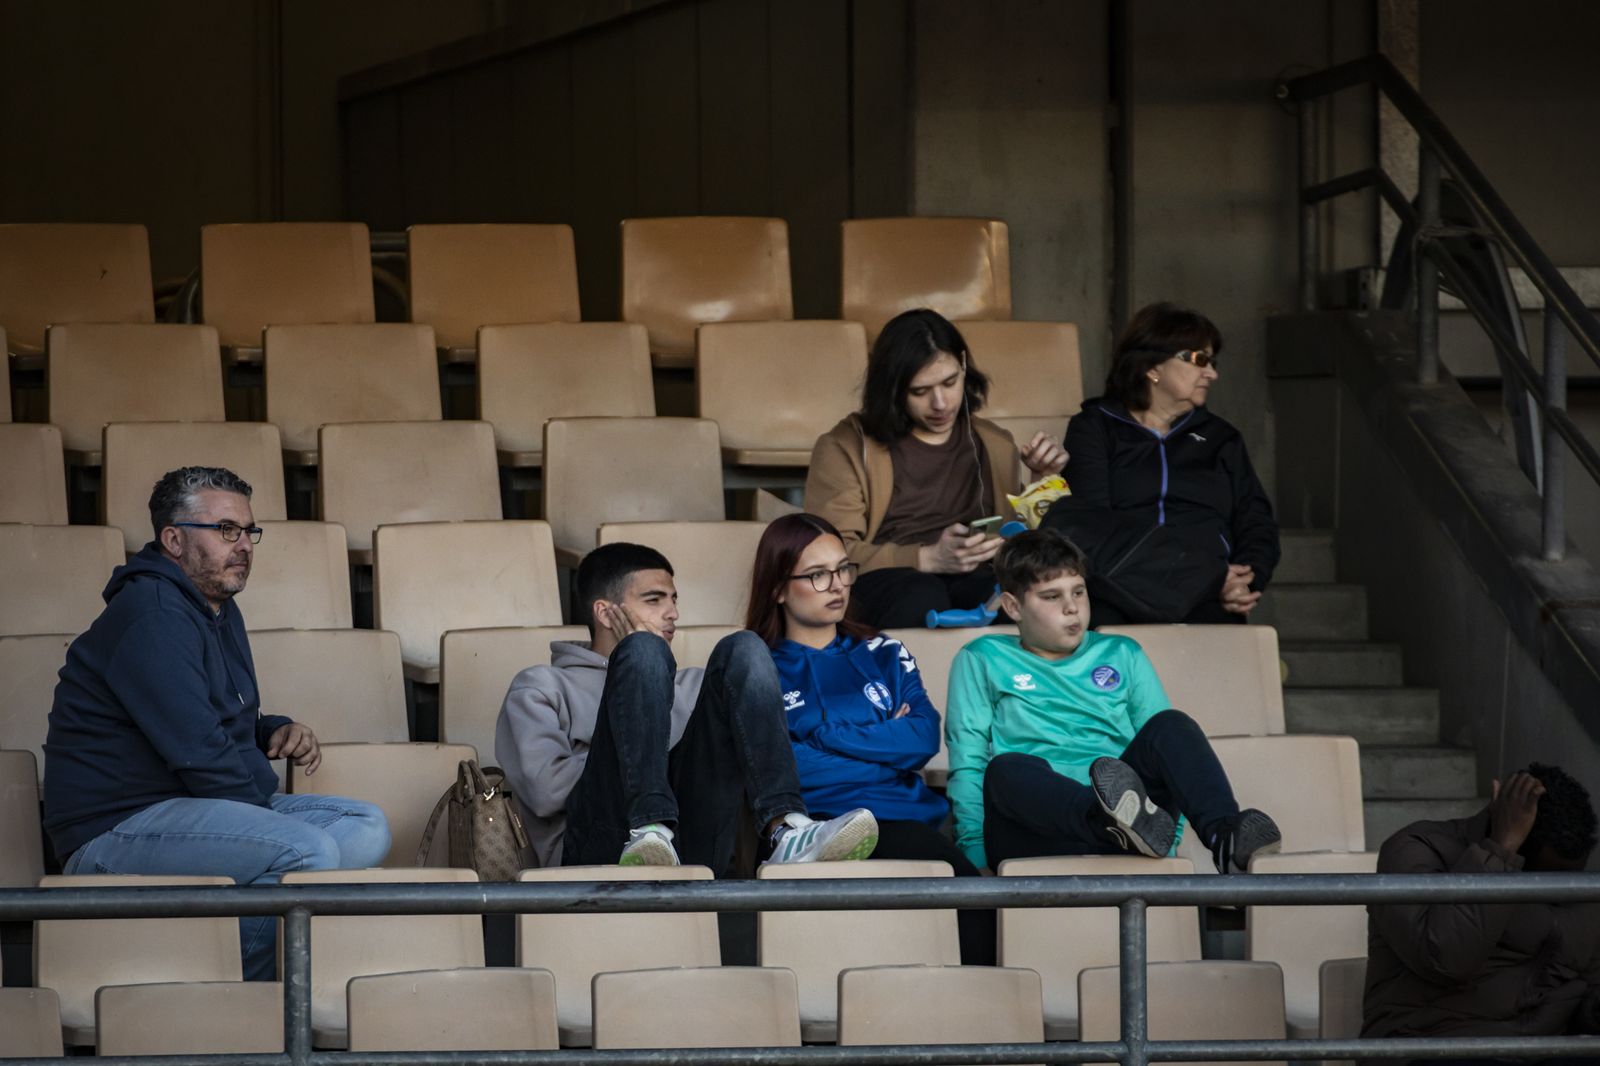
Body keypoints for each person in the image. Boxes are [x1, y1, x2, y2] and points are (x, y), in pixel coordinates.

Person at [43, 467, 391, 981]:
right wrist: (274, 826)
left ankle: (222, 957)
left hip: (193, 808)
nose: (244, 544)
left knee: (366, 828)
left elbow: (212, 715)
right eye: (225, 530)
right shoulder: (151, 614)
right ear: (174, 539)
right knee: (310, 850)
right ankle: (231, 990)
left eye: (249, 531)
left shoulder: (216, 607)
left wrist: (268, 729)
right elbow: (197, 752)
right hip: (114, 831)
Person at [496, 542, 878, 874]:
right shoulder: (541, 686)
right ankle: (648, 830)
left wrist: (656, 747)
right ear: (606, 613)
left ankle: (787, 829)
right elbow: (545, 791)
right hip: (594, 850)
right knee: (644, 651)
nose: (673, 613)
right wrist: (634, 740)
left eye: (674, 599)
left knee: (744, 647)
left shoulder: (695, 685)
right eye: (654, 599)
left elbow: (743, 765)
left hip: (692, 845)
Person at [944, 527, 1280, 873]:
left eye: (1078, 591)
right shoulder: (983, 657)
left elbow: (1168, 758)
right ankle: (1101, 819)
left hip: (1133, 826)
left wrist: (1168, 838)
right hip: (1035, 828)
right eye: (1051, 597)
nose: (1072, 608)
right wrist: (975, 853)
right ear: (1013, 606)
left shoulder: (1122, 652)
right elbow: (968, 761)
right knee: (1007, 768)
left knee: (1171, 725)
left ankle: (1225, 837)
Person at [745, 512, 998, 964]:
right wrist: (884, 744)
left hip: (905, 817)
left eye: (844, 569)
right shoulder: (756, 665)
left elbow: (921, 737)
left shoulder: (882, 651)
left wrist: (821, 733)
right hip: (813, 825)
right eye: (818, 575)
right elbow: (782, 766)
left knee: (973, 893)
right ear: (778, 588)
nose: (839, 585)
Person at [804, 307, 1068, 629]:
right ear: (892, 388)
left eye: (950, 382)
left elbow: (1020, 545)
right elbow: (829, 554)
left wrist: (1042, 480)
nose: (941, 403)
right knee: (921, 595)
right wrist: (927, 558)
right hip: (885, 582)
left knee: (1020, 599)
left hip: (973, 575)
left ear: (964, 366)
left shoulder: (995, 443)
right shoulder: (846, 447)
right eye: (920, 391)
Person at [1044, 301, 1279, 625]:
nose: (1212, 373)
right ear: (1152, 367)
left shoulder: (1222, 438)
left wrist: (1245, 582)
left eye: (1212, 362)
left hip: (1212, 595)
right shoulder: (1096, 426)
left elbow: (1256, 522)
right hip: (1122, 592)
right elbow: (1092, 526)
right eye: (1199, 359)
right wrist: (1199, 574)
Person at [1364, 763, 1600, 1057]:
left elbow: (1582, 993)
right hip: (1433, 1045)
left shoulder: (1582, 893)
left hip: (1542, 1049)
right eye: (1546, 876)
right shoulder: (1417, 849)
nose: (1561, 889)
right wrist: (1500, 849)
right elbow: (1446, 959)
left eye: (1571, 876)